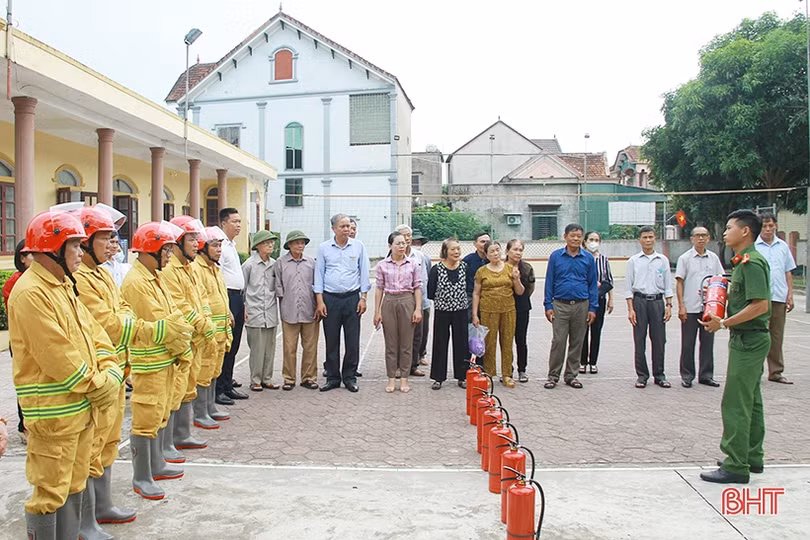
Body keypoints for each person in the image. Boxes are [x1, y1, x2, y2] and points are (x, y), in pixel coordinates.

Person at [9, 208, 123, 538]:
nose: (80, 252)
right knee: (49, 494)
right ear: (53, 249)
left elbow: (93, 333)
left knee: (74, 483)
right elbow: (57, 355)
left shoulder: (62, 284)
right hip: (53, 416)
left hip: (78, 411)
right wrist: (98, 383)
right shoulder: (32, 292)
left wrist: (109, 368)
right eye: (74, 246)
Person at [73, 204, 143, 533]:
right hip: (98, 374)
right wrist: (124, 323)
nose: (113, 244)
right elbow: (106, 323)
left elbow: (122, 309)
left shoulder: (100, 273)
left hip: (115, 369)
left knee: (108, 439)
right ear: (86, 242)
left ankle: (102, 505)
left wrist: (123, 320)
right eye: (105, 238)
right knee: (92, 444)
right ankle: (86, 519)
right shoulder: (80, 279)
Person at [121, 221, 195, 501]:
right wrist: (178, 335)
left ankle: (155, 465)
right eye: (165, 249)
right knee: (146, 417)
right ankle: (141, 476)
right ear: (150, 250)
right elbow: (159, 322)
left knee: (160, 411)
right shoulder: (137, 282)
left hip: (164, 358)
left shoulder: (155, 276)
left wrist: (179, 335)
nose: (168, 255)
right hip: (149, 360)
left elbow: (175, 315)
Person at [700, 210, 771, 484]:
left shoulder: (752, 263)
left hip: (749, 340)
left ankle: (735, 465)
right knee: (751, 402)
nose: (725, 232)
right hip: (748, 338)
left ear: (745, 232)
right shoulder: (742, 262)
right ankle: (751, 456)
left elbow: (761, 305)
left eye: (730, 227)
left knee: (735, 402)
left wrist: (724, 322)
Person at [162, 216, 218, 436]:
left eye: (198, 239)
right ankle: (177, 436)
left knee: (191, 382)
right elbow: (181, 305)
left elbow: (201, 298)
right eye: (192, 239)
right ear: (178, 241)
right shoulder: (170, 271)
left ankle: (183, 433)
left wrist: (206, 320)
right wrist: (203, 324)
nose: (197, 244)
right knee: (179, 388)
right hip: (184, 339)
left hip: (197, 337)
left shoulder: (190, 267)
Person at [314, 213, 371, 393]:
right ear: (334, 229)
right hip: (330, 299)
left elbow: (364, 273)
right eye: (343, 226)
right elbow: (319, 275)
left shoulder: (358, 246)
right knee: (331, 340)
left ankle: (349, 377)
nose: (347, 229)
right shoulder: (324, 248)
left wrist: (363, 298)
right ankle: (332, 377)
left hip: (352, 299)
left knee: (352, 340)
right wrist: (320, 301)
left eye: (348, 226)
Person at [543, 224, 598, 390]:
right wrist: (548, 304)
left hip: (582, 305)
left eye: (579, 236)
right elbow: (549, 281)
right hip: (560, 305)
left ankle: (571, 375)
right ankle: (553, 376)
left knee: (577, 342)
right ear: (565, 236)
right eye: (572, 235)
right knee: (558, 341)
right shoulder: (556, 257)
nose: (576, 239)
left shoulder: (588, 258)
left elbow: (592, 285)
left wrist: (593, 308)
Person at [374, 231, 422, 393]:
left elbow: (417, 287)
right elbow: (379, 289)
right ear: (390, 246)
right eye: (398, 243)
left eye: (404, 243)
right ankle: (391, 379)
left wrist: (417, 309)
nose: (402, 246)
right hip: (389, 302)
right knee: (391, 343)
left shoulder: (413, 264)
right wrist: (377, 312)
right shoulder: (382, 265)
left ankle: (404, 379)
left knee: (406, 343)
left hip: (407, 300)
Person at [675, 226, 724, 388]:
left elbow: (720, 280)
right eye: (698, 236)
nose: (701, 239)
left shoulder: (714, 258)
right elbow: (680, 282)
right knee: (688, 343)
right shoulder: (685, 258)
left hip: (709, 309)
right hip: (690, 307)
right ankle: (687, 375)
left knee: (708, 343)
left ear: (709, 238)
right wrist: (681, 305)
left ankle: (706, 375)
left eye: (704, 235)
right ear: (692, 239)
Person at [194, 226, 233, 423]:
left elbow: (220, 296)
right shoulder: (197, 269)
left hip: (220, 331)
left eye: (220, 246)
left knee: (214, 369)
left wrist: (229, 313)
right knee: (204, 370)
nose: (219, 249)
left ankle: (210, 407)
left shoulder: (214, 269)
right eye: (214, 245)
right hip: (207, 332)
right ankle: (200, 412)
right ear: (203, 247)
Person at [625, 226, 673, 389]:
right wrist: (631, 309)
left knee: (659, 340)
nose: (648, 240)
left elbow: (668, 285)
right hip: (640, 302)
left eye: (651, 237)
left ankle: (659, 375)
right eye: (645, 237)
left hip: (657, 302)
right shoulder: (634, 261)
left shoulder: (662, 260)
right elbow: (628, 288)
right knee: (639, 340)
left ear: (655, 239)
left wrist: (669, 305)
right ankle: (642, 375)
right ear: (639, 239)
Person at [472, 240, 524, 386]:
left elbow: (520, 291)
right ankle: (489, 374)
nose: (495, 253)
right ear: (486, 255)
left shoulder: (510, 269)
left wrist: (517, 279)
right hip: (488, 310)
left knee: (507, 341)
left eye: (497, 250)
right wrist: (475, 314)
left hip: (508, 310)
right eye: (492, 251)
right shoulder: (481, 271)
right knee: (489, 343)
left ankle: (507, 374)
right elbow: (476, 293)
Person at [274, 230, 319, 391]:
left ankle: (309, 378)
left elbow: (317, 285)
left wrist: (318, 305)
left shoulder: (311, 263)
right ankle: (289, 378)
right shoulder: (280, 262)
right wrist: (283, 301)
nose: (300, 245)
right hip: (289, 310)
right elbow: (278, 285)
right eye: (297, 242)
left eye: (302, 242)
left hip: (310, 310)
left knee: (310, 347)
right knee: (289, 347)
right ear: (289, 245)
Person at [754, 213, 796, 385]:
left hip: (778, 297)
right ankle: (756, 370)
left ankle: (776, 371)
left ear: (776, 226)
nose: (768, 229)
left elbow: (788, 271)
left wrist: (790, 294)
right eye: (764, 226)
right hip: (759, 298)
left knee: (776, 335)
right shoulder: (754, 246)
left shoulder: (783, 247)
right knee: (758, 334)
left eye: (771, 225)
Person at [428, 238, 469, 389]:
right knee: (440, 343)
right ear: (445, 251)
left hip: (461, 311)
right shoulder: (436, 269)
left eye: (458, 248)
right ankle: (438, 377)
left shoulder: (465, 267)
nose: (456, 252)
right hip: (442, 312)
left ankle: (462, 376)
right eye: (453, 249)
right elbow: (430, 292)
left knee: (462, 344)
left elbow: (470, 289)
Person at [216, 208, 248, 404]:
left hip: (237, 297)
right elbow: (217, 277)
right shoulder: (219, 245)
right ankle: (218, 389)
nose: (238, 225)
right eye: (234, 221)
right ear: (223, 223)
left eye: (239, 221)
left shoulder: (232, 245)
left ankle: (227, 384)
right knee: (225, 346)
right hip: (225, 297)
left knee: (234, 344)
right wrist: (226, 307)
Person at [242, 230, 281, 391]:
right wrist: (244, 308)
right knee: (257, 349)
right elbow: (241, 289)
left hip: (270, 312)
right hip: (254, 311)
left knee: (269, 348)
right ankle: (255, 380)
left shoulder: (274, 264)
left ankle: (267, 378)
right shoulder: (249, 265)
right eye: (266, 243)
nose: (270, 245)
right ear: (257, 246)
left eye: (272, 242)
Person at [3, 240, 33, 445]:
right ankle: (24, 426)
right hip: (22, 341)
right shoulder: (16, 282)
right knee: (26, 382)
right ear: (21, 258)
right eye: (30, 254)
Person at [395, 224, 428, 378]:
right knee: (399, 335)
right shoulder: (392, 256)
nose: (407, 238)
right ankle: (398, 366)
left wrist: (421, 304)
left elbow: (423, 281)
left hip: (418, 300)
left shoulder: (419, 256)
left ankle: (413, 365)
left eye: (408, 235)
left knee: (417, 335)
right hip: (399, 300)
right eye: (403, 236)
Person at [579, 231, 613, 375]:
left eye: (596, 240)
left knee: (596, 331)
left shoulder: (603, 260)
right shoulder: (580, 258)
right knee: (582, 332)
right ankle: (582, 362)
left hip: (599, 299)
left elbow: (609, 280)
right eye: (591, 239)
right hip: (583, 300)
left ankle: (593, 362)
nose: (594, 242)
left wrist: (611, 299)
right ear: (585, 242)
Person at [506, 239, 535, 383]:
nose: (518, 252)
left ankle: (522, 370)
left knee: (521, 339)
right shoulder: (501, 267)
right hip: (505, 308)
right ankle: (507, 370)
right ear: (507, 251)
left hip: (522, 308)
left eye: (520, 250)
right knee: (506, 340)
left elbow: (530, 288)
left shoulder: (527, 268)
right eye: (515, 249)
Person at [463, 231, 491, 366]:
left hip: (489, 300)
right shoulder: (468, 261)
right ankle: (471, 363)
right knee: (473, 332)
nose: (485, 244)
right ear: (475, 244)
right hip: (470, 300)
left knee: (487, 333)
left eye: (487, 241)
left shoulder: (492, 260)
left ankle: (485, 365)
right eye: (482, 241)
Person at [412, 230, 433, 365]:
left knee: (423, 330)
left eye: (419, 242)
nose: (416, 244)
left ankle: (421, 354)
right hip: (408, 299)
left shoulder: (425, 258)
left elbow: (429, 276)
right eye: (414, 242)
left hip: (424, 299)